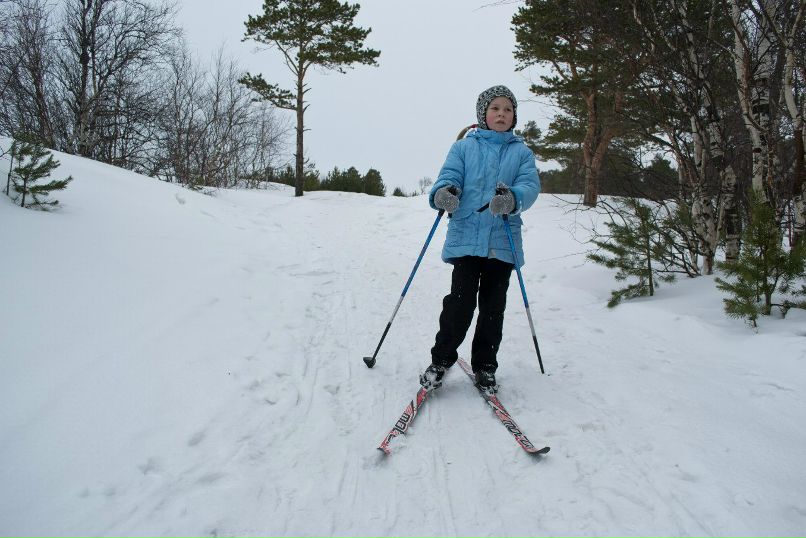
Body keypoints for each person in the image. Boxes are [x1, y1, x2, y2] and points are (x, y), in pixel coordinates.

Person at [420, 85, 541, 394]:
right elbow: (447, 178)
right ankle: (441, 361)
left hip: (502, 242)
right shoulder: (463, 148)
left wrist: (513, 199)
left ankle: (485, 366)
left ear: (514, 117)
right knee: (459, 305)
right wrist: (445, 193)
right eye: (495, 108)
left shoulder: (521, 152)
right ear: (483, 114)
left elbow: (530, 186)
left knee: (492, 308)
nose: (501, 114)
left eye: (507, 109)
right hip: (466, 239)